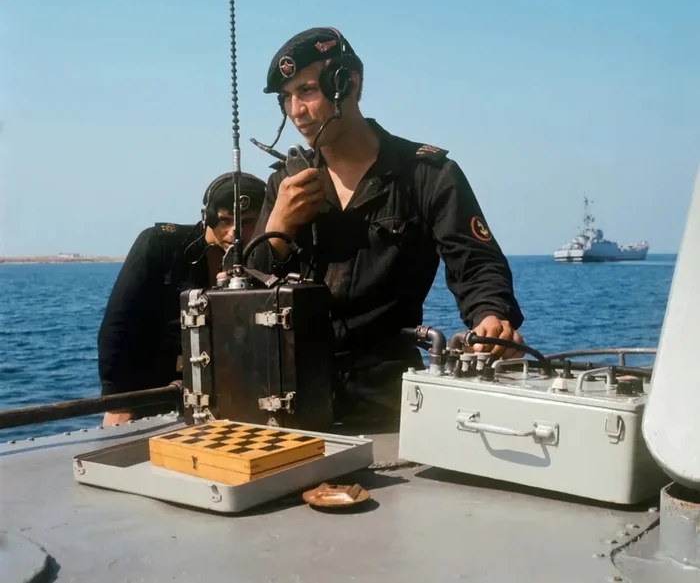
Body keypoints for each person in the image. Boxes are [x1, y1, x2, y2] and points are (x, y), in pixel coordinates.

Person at [250, 26, 525, 421]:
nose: (296, 111)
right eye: (286, 98)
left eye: (307, 91)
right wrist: (279, 226)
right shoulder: (284, 184)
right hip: (290, 397)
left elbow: (477, 264)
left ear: (348, 82)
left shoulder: (427, 174)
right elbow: (241, 293)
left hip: (388, 400)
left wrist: (490, 317)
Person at [98, 172, 266, 426]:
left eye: (248, 222)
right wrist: (118, 402)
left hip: (223, 398)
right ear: (207, 217)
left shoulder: (263, 258)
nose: (235, 232)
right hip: (151, 393)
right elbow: (117, 324)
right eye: (225, 220)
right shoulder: (160, 245)